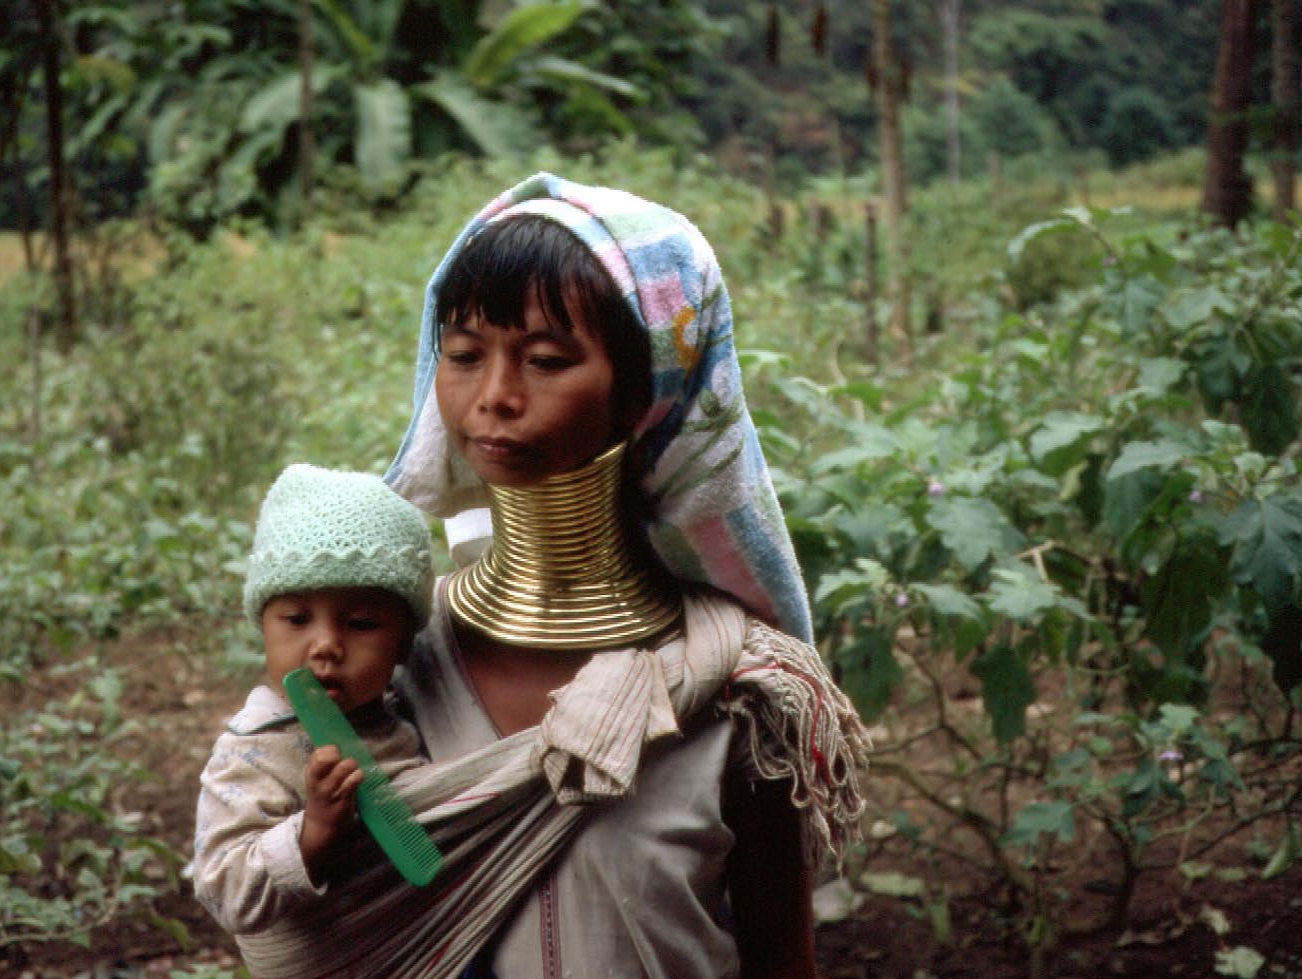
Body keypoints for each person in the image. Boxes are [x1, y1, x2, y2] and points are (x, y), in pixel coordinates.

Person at [382, 173, 870, 979]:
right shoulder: (394, 658)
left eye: (544, 358)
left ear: (647, 390)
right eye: (464, 355)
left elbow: (782, 954)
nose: (495, 396)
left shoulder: (741, 691)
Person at [187, 463, 434, 938]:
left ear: (404, 643)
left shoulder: (413, 712)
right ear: (263, 629)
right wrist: (313, 832)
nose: (325, 645)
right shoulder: (254, 754)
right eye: (297, 619)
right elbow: (224, 889)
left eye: (361, 623)